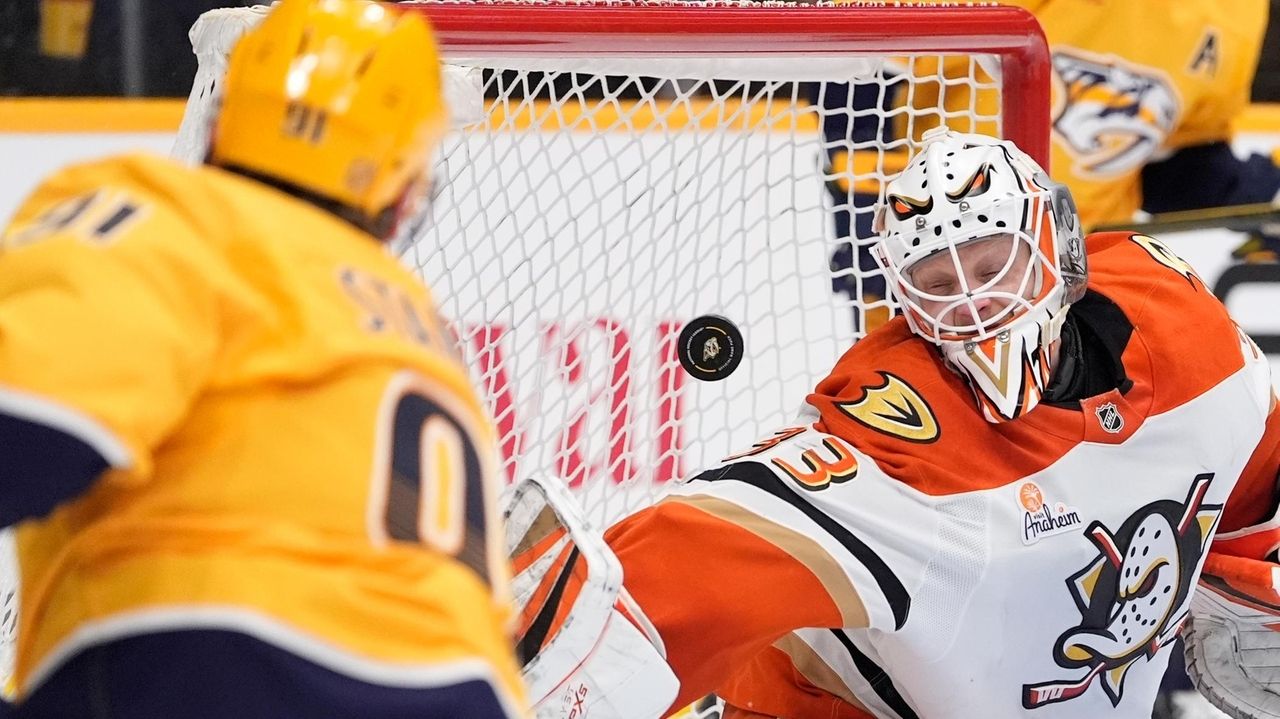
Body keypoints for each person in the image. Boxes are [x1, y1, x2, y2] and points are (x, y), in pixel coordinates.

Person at [510, 129, 1280, 718]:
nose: (975, 307)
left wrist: (1256, 555)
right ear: (904, 303)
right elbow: (710, 551)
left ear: (1061, 250)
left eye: (991, 265)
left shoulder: (1188, 339)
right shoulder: (896, 444)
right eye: (938, 283)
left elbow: (1252, 472)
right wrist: (563, 647)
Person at [0, 0, 524, 716]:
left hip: (223, 662)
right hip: (469, 688)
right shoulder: (419, 331)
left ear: (219, 123)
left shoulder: (172, 213)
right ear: (400, 200)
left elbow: (33, 422)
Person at [827, 0, 1280, 333]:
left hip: (1071, 289)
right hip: (941, 274)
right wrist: (878, 237)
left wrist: (1262, 193)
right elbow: (862, 86)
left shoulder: (1234, 11)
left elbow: (1176, 163)